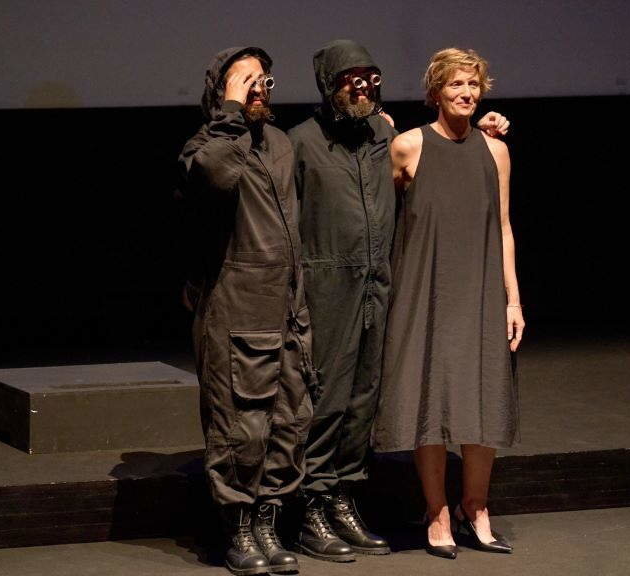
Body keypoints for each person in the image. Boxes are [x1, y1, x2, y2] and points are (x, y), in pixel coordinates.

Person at [288, 39, 511, 562]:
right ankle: (310, 511)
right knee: (326, 400)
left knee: (362, 400)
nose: (361, 87)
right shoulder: (300, 141)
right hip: (327, 285)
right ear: (328, 83)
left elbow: (445, 166)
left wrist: (485, 132)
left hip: (378, 288)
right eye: (350, 78)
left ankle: (341, 500)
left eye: (369, 77)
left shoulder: (382, 132)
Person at [372, 47, 525, 559]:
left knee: (482, 398)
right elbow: (377, 215)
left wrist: (513, 300)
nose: (466, 93)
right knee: (429, 399)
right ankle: (437, 511)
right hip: (424, 290)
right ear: (436, 92)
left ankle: (475, 506)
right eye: (456, 85)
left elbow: (503, 227)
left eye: (474, 86)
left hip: (481, 290)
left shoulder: (495, 150)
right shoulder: (408, 147)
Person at [179, 46, 315, 576]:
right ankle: (237, 528)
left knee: (287, 423)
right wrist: (230, 114)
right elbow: (215, 176)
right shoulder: (207, 146)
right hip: (236, 312)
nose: (260, 87)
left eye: (265, 79)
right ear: (223, 91)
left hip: (286, 309)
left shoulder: (279, 143)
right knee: (242, 426)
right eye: (246, 80)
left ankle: (266, 523)